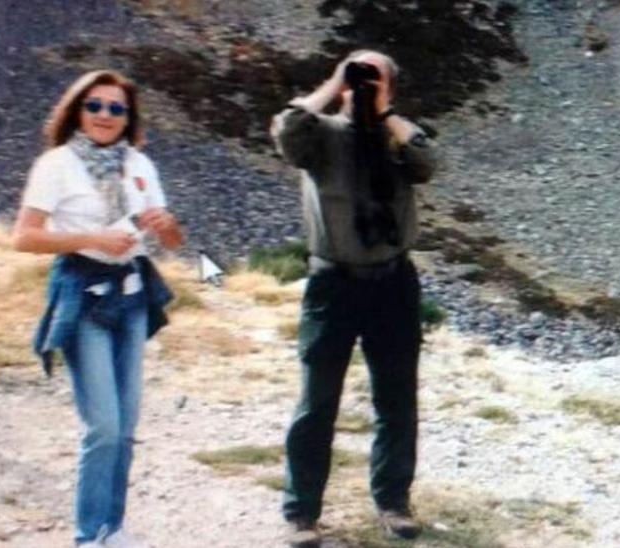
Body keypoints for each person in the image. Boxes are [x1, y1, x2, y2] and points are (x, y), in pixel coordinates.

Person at [269, 50, 437, 547]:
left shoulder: (398, 136)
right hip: (333, 284)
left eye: (376, 77)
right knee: (317, 401)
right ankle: (302, 514)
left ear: (393, 88)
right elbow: (286, 129)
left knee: (396, 399)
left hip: (392, 283)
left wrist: (385, 112)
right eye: (357, 75)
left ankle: (392, 503)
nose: (364, 84)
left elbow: (428, 163)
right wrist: (334, 82)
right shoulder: (318, 137)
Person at [12, 69, 184, 548]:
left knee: (126, 428)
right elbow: (23, 236)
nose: (105, 116)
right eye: (95, 106)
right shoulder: (56, 164)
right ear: (77, 111)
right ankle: (89, 536)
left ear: (129, 117)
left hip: (130, 293)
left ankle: (113, 529)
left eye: (116, 108)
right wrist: (93, 237)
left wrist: (166, 224)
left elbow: (171, 240)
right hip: (83, 293)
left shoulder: (141, 165)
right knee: (104, 426)